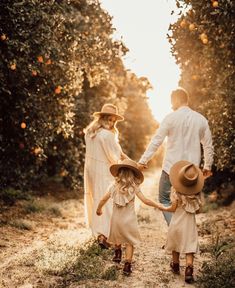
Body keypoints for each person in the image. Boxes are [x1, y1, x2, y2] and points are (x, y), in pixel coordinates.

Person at [138, 87, 213, 225]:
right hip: (191, 172)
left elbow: (157, 141)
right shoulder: (201, 119)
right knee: (188, 204)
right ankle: (185, 237)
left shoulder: (170, 118)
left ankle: (174, 231)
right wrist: (207, 165)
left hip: (170, 169)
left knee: (165, 199)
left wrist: (143, 161)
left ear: (177, 100)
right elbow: (208, 145)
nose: (171, 105)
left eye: (172, 101)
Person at [96, 159, 159, 276]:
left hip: (116, 220)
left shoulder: (113, 187)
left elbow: (103, 199)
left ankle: (118, 253)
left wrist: (99, 209)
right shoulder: (134, 187)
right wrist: (157, 205)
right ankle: (127, 265)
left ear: (119, 173)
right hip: (129, 221)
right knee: (129, 243)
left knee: (117, 237)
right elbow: (145, 200)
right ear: (133, 175)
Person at [84, 103, 127, 249]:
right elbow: (116, 156)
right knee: (107, 203)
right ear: (102, 118)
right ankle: (105, 235)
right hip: (104, 171)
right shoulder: (108, 135)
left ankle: (99, 234)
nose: (112, 123)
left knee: (96, 200)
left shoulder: (90, 133)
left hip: (91, 171)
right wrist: (131, 164)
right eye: (109, 119)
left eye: (113, 121)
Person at [158, 160, 204, 283]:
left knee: (175, 244)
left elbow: (172, 208)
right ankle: (189, 268)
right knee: (190, 247)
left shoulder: (176, 194)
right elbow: (199, 210)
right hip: (189, 227)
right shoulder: (196, 196)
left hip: (177, 224)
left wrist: (162, 207)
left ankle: (176, 265)